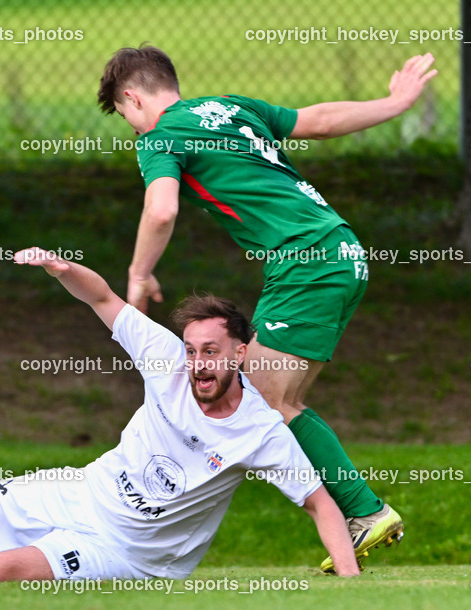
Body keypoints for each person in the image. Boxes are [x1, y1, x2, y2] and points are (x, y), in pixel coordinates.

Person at [0, 248, 359, 585]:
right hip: (85, 490)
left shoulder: (259, 432)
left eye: (210, 351)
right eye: (191, 350)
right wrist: (61, 267)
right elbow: (105, 300)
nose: (196, 363)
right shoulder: (165, 360)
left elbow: (319, 504)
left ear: (239, 353)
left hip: (126, 553)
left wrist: (351, 580)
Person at [97, 46, 437, 570]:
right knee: (275, 397)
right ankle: (357, 513)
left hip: (306, 264)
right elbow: (320, 121)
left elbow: (161, 209)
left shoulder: (160, 137)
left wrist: (139, 274)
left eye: (126, 118)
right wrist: (393, 103)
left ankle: (363, 511)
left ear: (132, 97)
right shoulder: (232, 108)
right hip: (341, 253)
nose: (133, 129)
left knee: (260, 396)